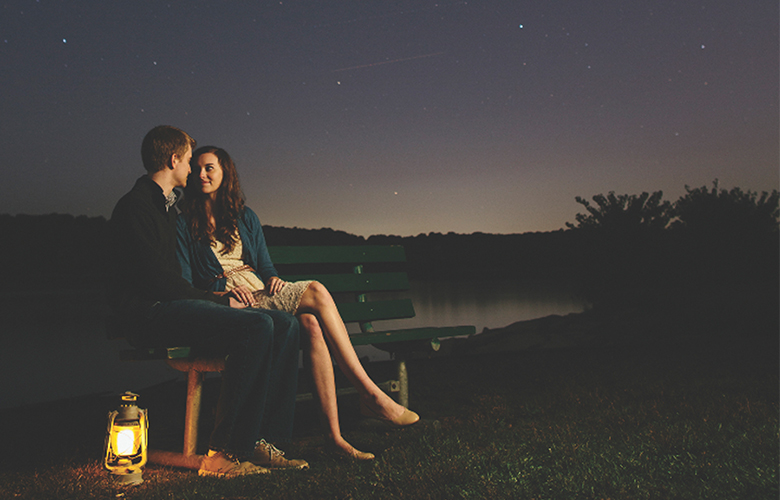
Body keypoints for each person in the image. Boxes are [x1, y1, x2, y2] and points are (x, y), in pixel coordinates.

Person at [177, 146, 420, 460]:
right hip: (234, 302)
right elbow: (188, 281)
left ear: (226, 172)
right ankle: (371, 394)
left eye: (209, 168)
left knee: (312, 325)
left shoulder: (244, 216)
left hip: (259, 290)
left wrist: (273, 278)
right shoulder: (186, 223)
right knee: (317, 291)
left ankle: (335, 439)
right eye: (196, 169)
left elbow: (263, 265)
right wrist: (220, 295)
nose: (201, 175)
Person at [107, 126, 308, 478]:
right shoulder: (136, 206)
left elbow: (177, 277)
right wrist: (213, 299)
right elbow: (156, 281)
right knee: (257, 324)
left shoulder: (168, 208)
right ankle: (224, 454)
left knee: (286, 325)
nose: (191, 169)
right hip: (149, 314)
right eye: (187, 160)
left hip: (173, 306)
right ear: (173, 160)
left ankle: (264, 442)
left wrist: (213, 297)